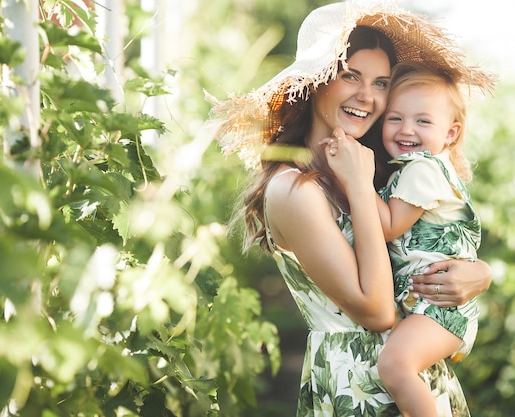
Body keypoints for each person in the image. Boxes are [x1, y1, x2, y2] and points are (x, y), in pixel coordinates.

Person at [206, 1, 495, 415]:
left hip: (416, 383)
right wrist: (359, 186)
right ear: (316, 82)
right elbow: (376, 311)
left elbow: (430, 241)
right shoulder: (296, 190)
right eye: (350, 76)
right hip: (360, 389)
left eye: (381, 83)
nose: (367, 96)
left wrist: (478, 273)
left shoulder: (373, 170)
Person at [368, 61, 488, 417]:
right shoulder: (413, 169)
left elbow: (389, 226)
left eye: (423, 121)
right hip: (433, 305)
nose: (407, 130)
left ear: (450, 133)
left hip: (441, 307)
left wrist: (355, 179)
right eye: (395, 118)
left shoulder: (421, 169)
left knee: (394, 365)